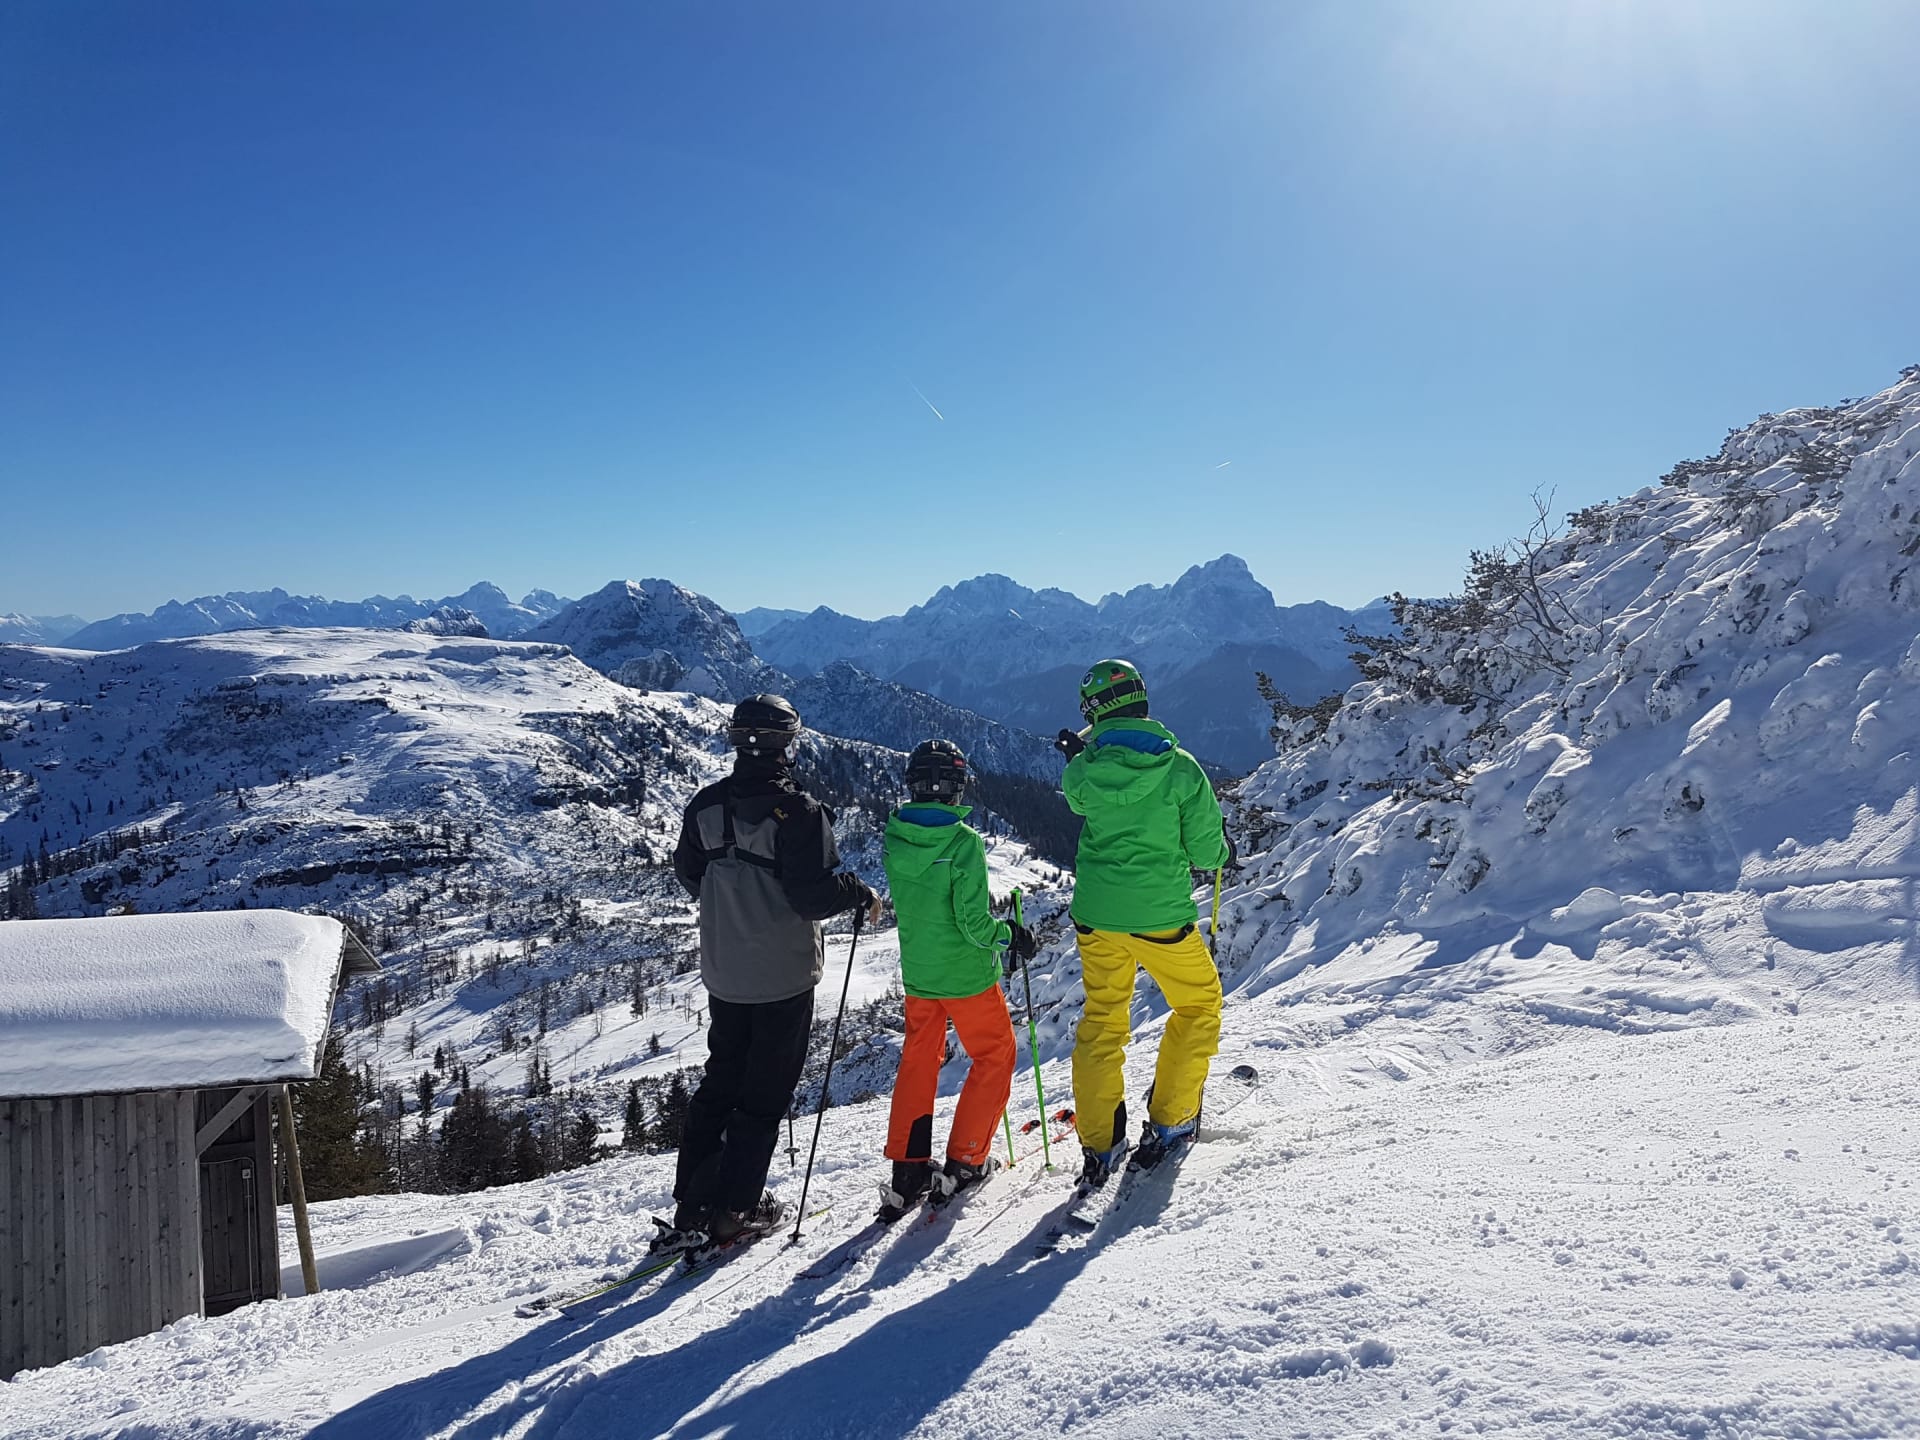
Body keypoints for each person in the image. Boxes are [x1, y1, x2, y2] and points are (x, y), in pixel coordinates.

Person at [667, 693, 880, 1249]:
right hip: (783, 976)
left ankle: (692, 1205)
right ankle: (736, 1209)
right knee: (763, 1095)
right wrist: (858, 891)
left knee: (720, 1083)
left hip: (725, 972)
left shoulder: (705, 806)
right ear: (789, 742)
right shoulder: (801, 813)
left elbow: (690, 876)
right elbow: (813, 897)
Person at [1056, 659, 1230, 1187]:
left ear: (1093, 714)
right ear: (1143, 699)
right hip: (1159, 916)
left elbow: (1079, 796)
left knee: (1103, 1020)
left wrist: (1082, 754)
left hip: (1097, 916)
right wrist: (1223, 846)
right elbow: (1207, 853)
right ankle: (1171, 1120)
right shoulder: (1180, 768)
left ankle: (1099, 1143)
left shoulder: (1081, 770)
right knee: (1198, 1005)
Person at [877, 740, 1037, 1217]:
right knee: (995, 1054)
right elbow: (973, 925)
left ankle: (908, 1170)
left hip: (920, 975)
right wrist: (1010, 936)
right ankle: (966, 1160)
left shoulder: (895, 837)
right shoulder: (962, 841)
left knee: (919, 1061)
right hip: (967, 976)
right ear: (956, 787)